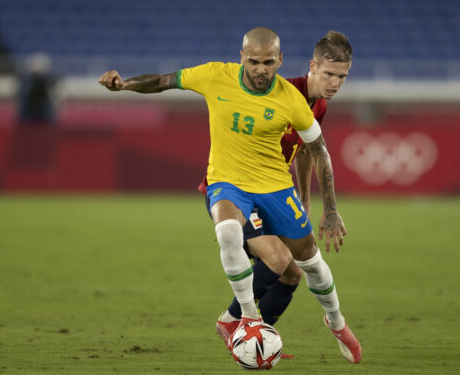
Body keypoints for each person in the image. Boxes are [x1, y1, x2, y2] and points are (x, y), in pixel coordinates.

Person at [98, 27, 361, 364]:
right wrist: (124, 85)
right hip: (228, 184)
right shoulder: (218, 77)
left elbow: (312, 151)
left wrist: (316, 203)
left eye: (268, 62)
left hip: (274, 187)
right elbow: (165, 81)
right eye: (254, 61)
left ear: (280, 60)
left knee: (300, 267)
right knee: (256, 248)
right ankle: (243, 321)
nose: (261, 69)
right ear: (243, 58)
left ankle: (297, 331)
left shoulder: (301, 102)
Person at [204, 31, 354, 359]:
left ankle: (259, 340)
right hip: (240, 189)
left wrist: (304, 197)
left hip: (273, 190)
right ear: (312, 67)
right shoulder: (284, 93)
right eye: (328, 74)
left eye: (342, 76)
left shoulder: (320, 105)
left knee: (293, 272)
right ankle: (233, 323)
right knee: (279, 259)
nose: (334, 82)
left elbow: (304, 152)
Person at [17, 53, 60, 126]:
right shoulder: (26, 81)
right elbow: (21, 97)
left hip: (43, 111)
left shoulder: (49, 81)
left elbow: (55, 99)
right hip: (29, 110)